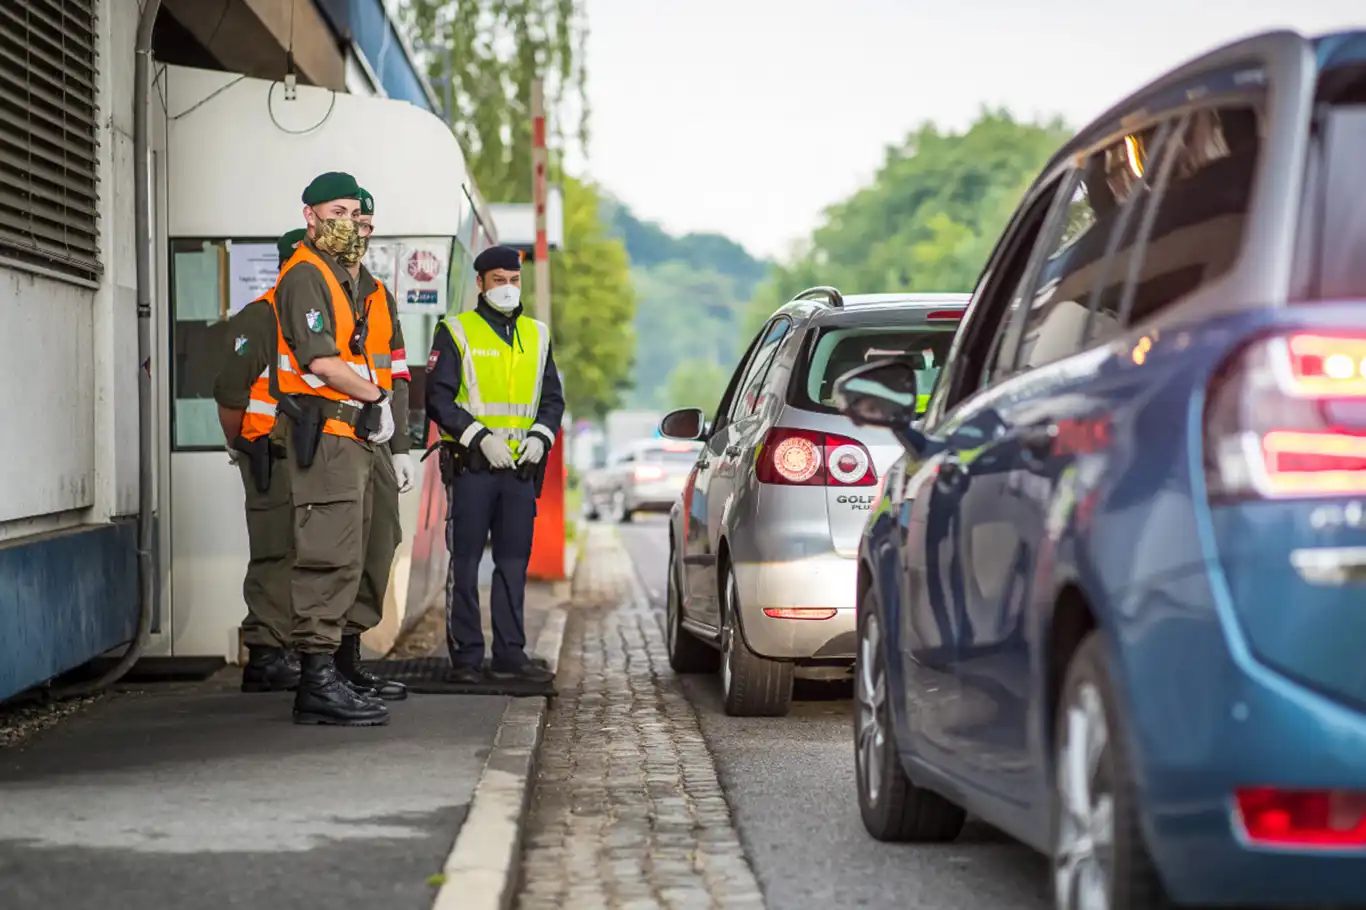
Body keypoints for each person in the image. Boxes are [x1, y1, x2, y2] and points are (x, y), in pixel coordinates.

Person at [269, 171, 403, 726]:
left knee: (369, 545)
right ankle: (318, 682)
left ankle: (342, 665)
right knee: (328, 553)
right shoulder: (305, 275)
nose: (348, 223)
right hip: (327, 432)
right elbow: (320, 361)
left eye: (355, 213)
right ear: (311, 216)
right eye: (338, 212)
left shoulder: (349, 280)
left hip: (359, 432)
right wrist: (376, 398)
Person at [425, 245, 564, 685]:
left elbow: (552, 399)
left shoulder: (537, 335)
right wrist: (479, 437)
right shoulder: (456, 331)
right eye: (499, 280)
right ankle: (466, 658)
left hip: (520, 470)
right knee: (464, 563)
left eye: (514, 280)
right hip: (473, 468)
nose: (508, 288)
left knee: (511, 562)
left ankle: (510, 653)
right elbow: (438, 399)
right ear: (481, 283)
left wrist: (541, 438)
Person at [212, 227, 307, 693]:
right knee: (275, 551)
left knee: (306, 552)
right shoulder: (261, 317)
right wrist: (239, 443)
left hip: (309, 455)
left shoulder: (313, 317)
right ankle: (267, 654)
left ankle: (288, 647)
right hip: (268, 453)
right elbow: (230, 391)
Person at [334, 185, 414, 702]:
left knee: (381, 539)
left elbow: (399, 373)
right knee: (333, 550)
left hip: (377, 438)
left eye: (366, 225)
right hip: (332, 435)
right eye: (349, 220)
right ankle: (323, 669)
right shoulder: (318, 284)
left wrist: (402, 445)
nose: (359, 232)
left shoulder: (379, 294)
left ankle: (349, 653)